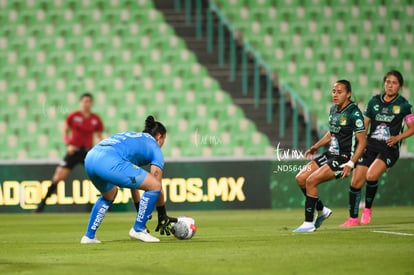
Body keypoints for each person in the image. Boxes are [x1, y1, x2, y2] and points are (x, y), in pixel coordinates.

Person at [80, 116, 176, 243]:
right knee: (154, 186)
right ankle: (138, 229)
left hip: (91, 158)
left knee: (109, 194)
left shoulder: (134, 137)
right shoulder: (155, 147)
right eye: (164, 139)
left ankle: (89, 236)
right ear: (159, 137)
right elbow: (156, 184)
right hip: (108, 160)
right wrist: (162, 213)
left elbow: (133, 183)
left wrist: (140, 211)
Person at [341, 70, 414, 226]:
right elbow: (365, 125)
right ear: (384, 83)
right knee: (355, 182)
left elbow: (412, 128)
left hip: (389, 148)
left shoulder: (404, 105)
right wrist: (361, 143)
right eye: (388, 82)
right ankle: (353, 219)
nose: (390, 85)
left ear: (399, 86)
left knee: (371, 175)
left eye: (394, 83)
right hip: (370, 146)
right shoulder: (374, 102)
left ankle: (367, 209)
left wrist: (398, 138)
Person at [293, 80, 366, 233]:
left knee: (311, 181)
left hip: (344, 158)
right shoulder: (333, 109)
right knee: (300, 178)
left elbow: (362, 142)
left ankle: (308, 223)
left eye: (339, 92)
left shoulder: (354, 113)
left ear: (348, 94)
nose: (335, 94)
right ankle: (322, 210)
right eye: (334, 91)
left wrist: (351, 163)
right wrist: (316, 146)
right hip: (330, 154)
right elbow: (331, 133)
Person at [34, 93, 104, 212]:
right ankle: (41, 205)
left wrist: (102, 147)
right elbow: (65, 132)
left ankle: (107, 204)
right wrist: (68, 144)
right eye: (85, 101)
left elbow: (99, 136)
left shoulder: (95, 119)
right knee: (58, 176)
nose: (87, 104)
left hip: (88, 152)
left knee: (98, 176)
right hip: (74, 151)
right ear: (81, 102)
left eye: (89, 101)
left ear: (91, 103)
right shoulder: (73, 116)